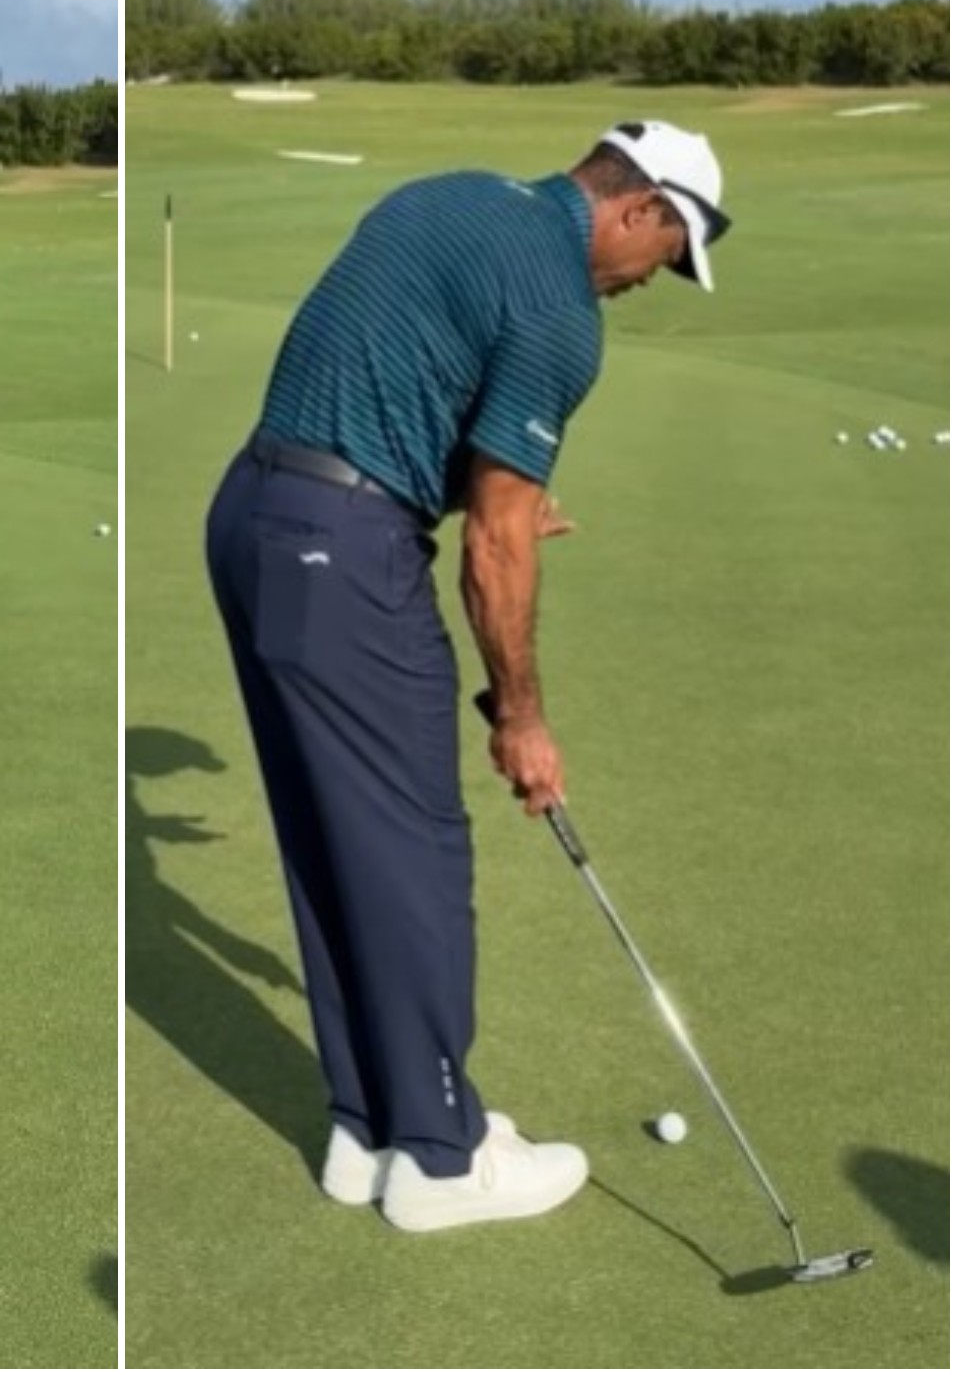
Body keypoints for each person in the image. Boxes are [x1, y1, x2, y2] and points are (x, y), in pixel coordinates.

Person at [204, 122, 727, 1232]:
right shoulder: (559, 311)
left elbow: (388, 399)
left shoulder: (445, 196)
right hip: (341, 549)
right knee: (414, 847)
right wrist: (521, 714)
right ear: (638, 209)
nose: (655, 280)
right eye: (668, 252)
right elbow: (496, 546)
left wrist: (484, 506)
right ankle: (441, 1157)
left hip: (251, 513)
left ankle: (369, 1126)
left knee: (331, 835)